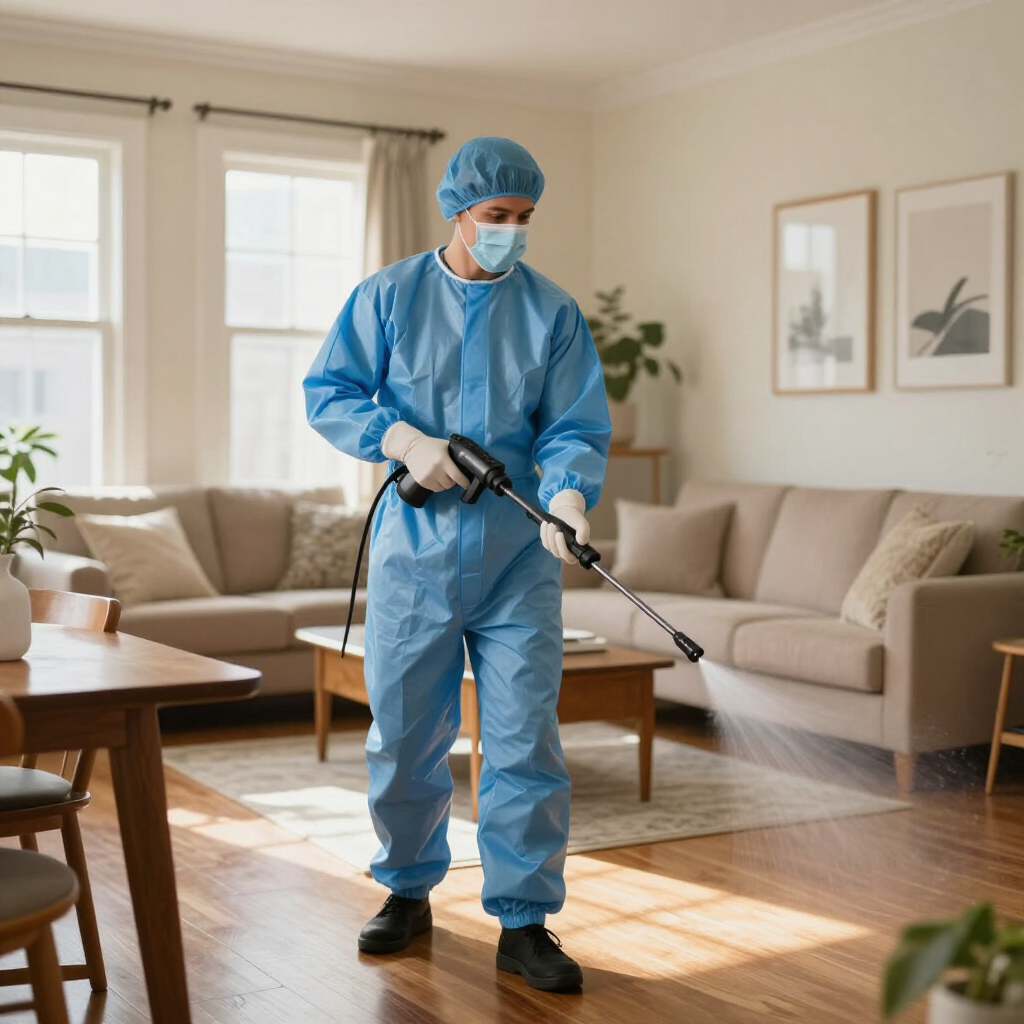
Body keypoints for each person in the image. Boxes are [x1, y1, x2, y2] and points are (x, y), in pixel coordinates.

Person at [304, 136, 611, 993]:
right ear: (458, 209)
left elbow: (574, 425)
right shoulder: (389, 295)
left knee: (524, 740)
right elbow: (329, 391)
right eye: (497, 214)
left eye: (524, 217)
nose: (512, 229)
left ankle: (525, 921)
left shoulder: (551, 312)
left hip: (519, 560)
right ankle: (406, 892)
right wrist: (401, 439)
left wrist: (569, 499)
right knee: (406, 734)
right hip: (417, 558)